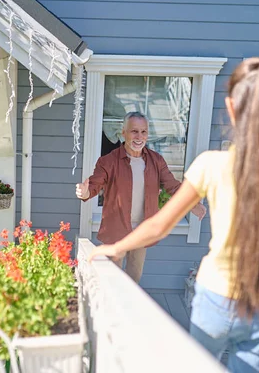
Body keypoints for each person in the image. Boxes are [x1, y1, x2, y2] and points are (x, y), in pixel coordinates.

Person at [88, 58, 259, 373]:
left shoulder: (211, 165)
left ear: (231, 107)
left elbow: (159, 226)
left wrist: (114, 247)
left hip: (215, 300)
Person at [76, 111, 207, 283]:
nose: (139, 136)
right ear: (123, 133)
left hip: (141, 232)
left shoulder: (156, 161)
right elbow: (94, 184)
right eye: (134, 131)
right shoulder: (108, 161)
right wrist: (85, 192)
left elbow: (172, 185)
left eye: (143, 132)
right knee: (111, 281)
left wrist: (192, 203)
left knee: (133, 281)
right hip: (115, 231)